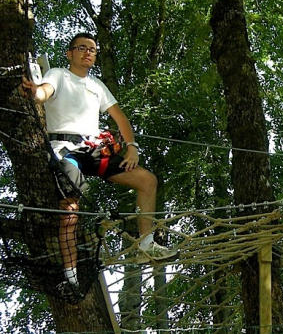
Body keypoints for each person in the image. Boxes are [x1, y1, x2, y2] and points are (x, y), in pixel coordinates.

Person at [21, 32, 177, 288]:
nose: (88, 53)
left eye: (92, 49)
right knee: (70, 209)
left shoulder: (97, 85)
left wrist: (132, 147)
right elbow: (44, 93)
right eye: (82, 48)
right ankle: (70, 275)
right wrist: (35, 93)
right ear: (70, 53)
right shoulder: (58, 74)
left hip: (94, 150)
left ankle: (146, 245)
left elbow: (121, 118)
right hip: (66, 150)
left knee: (147, 180)